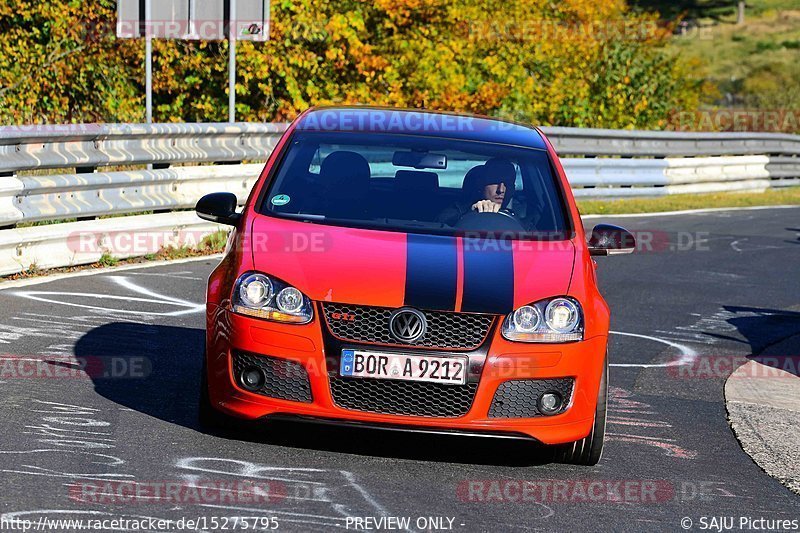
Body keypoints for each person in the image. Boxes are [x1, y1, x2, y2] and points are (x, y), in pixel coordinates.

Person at [436, 158, 517, 226]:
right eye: (494, 182)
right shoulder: (457, 211)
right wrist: (472, 214)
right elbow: (440, 225)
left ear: (513, 189)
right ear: (481, 185)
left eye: (507, 183)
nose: (501, 190)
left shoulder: (521, 220)